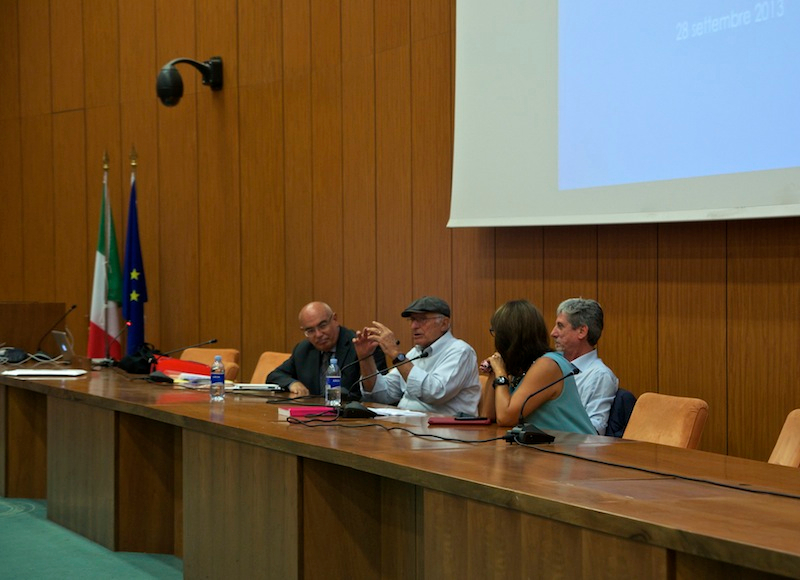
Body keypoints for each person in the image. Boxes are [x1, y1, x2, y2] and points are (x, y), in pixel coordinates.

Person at [478, 300, 595, 433]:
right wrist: (495, 370)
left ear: (509, 337)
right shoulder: (523, 367)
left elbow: (506, 418)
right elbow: (487, 417)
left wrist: (500, 372)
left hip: (576, 448)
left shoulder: (548, 365)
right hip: (548, 449)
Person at [353, 296, 481, 416]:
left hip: (446, 433)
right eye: (413, 320)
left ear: (444, 324)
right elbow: (382, 394)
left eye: (422, 319)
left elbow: (434, 393)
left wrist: (396, 354)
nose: (413, 326)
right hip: (409, 428)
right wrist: (365, 358)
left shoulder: (460, 351)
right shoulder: (415, 353)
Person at [267, 301, 387, 399]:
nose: (318, 334)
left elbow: (379, 395)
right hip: (313, 419)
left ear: (335, 319)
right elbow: (274, 375)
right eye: (310, 330)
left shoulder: (363, 347)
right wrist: (292, 383)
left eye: (323, 325)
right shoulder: (303, 349)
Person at [550, 298, 619, 435]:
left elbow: (594, 430)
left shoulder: (599, 375)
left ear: (581, 331)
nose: (553, 333)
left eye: (560, 326)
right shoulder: (553, 368)